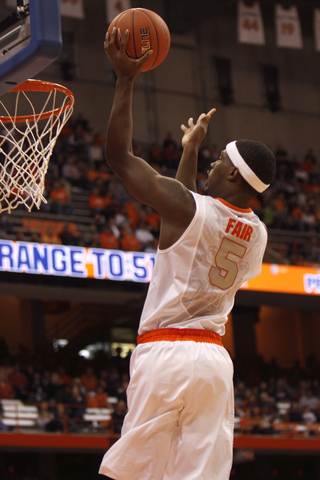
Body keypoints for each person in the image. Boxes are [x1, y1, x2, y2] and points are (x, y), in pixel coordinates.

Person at [99, 28, 276, 480]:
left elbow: (119, 158)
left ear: (234, 177)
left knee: (131, 470)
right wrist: (192, 151)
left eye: (220, 161)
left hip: (166, 354)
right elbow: (191, 215)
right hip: (215, 363)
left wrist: (125, 80)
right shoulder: (258, 234)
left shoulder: (186, 207)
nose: (213, 164)